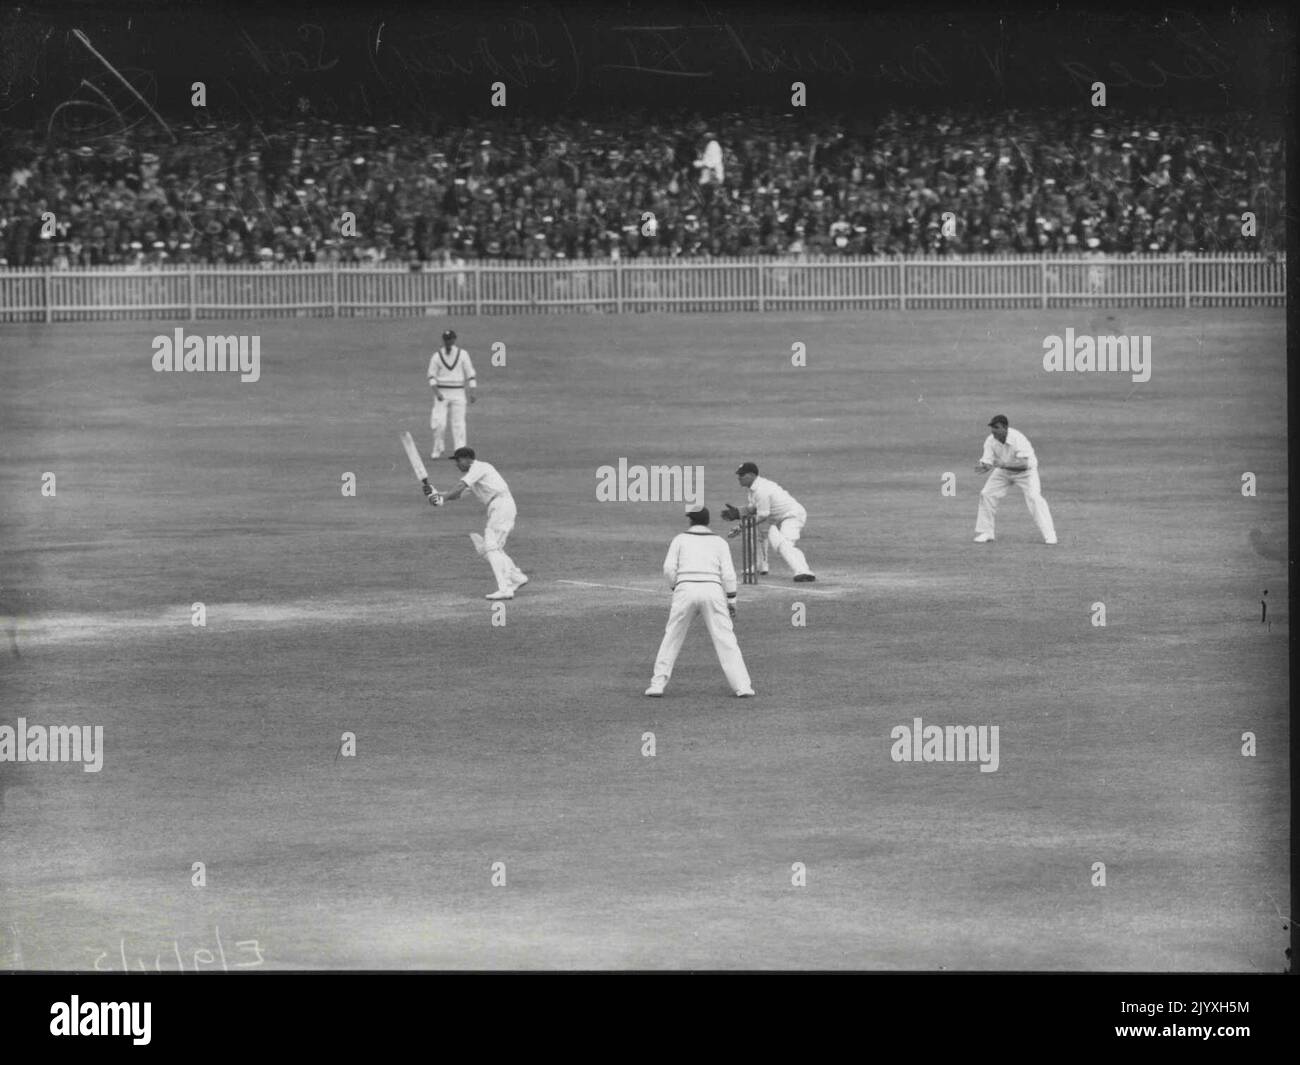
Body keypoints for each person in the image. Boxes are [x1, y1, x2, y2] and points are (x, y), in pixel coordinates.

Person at [645, 505, 754, 698]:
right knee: (726, 639)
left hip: (685, 589)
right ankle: (743, 687)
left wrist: (675, 587)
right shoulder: (720, 542)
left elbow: (669, 569)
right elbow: (728, 574)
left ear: (691, 521)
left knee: (672, 637)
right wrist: (732, 599)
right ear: (707, 521)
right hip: (712, 589)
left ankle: (657, 684)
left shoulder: (680, 539)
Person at [425, 447, 528, 599]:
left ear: (467, 459)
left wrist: (442, 500)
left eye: (458, 461)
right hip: (499, 507)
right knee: (489, 548)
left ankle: (505, 589)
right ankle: (517, 577)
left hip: (502, 505)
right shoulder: (474, 476)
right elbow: (457, 494)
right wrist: (436, 494)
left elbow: (460, 486)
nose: (457, 465)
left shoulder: (479, 467)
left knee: (491, 547)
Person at [973, 414, 1058, 544]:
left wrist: (1003, 464)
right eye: (992, 428)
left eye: (996, 427)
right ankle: (987, 532)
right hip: (1004, 471)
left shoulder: (1018, 438)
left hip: (1026, 473)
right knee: (987, 494)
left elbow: (1024, 464)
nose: (993, 431)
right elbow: (988, 461)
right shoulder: (990, 440)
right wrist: (984, 466)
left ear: (1005, 428)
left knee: (1034, 498)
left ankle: (1050, 535)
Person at [726, 462, 816, 582]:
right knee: (756, 532)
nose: (739, 478)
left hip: (792, 516)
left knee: (782, 544)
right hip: (776, 518)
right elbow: (754, 508)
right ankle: (759, 565)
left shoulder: (761, 490)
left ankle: (803, 571)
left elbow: (762, 515)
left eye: (742, 475)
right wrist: (739, 512)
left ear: (752, 475)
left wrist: (740, 526)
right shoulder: (753, 489)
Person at [427, 328, 477, 459]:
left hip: (458, 392)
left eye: (450, 339)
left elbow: (470, 374)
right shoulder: (437, 356)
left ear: (454, 340)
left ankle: (460, 452)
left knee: (459, 423)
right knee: (439, 423)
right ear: (443, 341)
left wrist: (472, 391)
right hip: (442, 392)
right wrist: (436, 392)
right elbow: (431, 376)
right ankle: (437, 448)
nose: (448, 342)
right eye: (446, 340)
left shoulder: (463, 354)